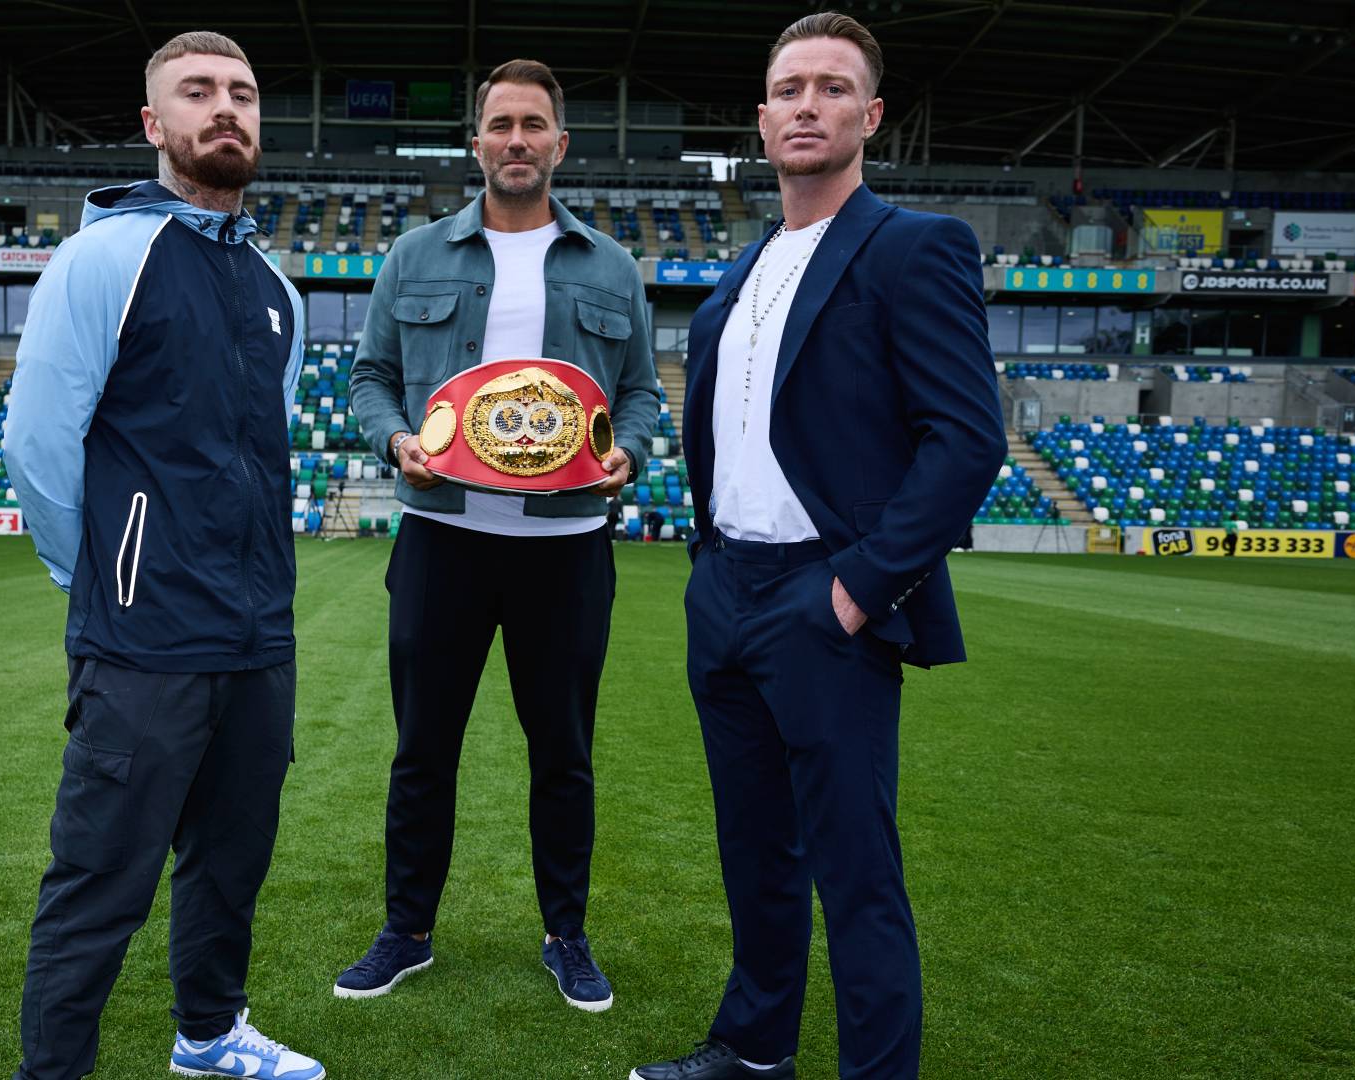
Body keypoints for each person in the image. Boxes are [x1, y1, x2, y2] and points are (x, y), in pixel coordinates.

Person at [633, 12, 1006, 1080]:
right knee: (755, 858)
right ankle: (753, 1053)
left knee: (855, 873)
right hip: (726, 592)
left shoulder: (912, 247)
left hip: (827, 600)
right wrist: (711, 571)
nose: (807, 104)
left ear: (870, 115)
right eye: (789, 88)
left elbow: (967, 439)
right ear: (760, 118)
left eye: (832, 88)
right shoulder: (736, 277)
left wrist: (856, 587)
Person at [2, 30, 323, 1080]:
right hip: (143, 642)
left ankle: (209, 1034)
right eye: (197, 92)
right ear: (154, 125)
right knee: (101, 880)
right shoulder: (104, 256)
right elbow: (37, 442)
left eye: (241, 92)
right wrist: (97, 579)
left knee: (230, 864)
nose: (224, 108)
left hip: (255, 633)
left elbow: (259, 456)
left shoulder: (278, 287)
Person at [340, 59, 660, 1013]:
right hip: (443, 538)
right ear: (475, 142)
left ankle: (567, 935)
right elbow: (370, 381)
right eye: (499, 124)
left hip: (566, 547)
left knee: (562, 753)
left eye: (534, 125)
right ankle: (407, 931)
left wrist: (630, 453)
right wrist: (395, 440)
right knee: (422, 749)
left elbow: (640, 390)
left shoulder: (610, 267)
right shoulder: (413, 256)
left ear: (561, 145)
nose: (516, 140)